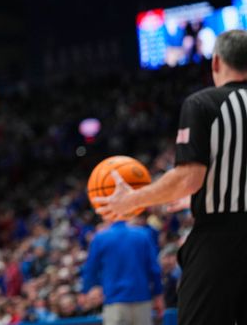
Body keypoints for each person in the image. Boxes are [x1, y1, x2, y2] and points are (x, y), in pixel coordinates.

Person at [96, 29, 247, 325]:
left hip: (222, 241)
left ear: (215, 62)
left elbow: (189, 177)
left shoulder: (203, 103)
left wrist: (130, 200)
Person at [81, 218, 163, 325]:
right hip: (142, 298)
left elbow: (90, 269)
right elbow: (154, 269)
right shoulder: (143, 235)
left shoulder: (100, 238)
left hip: (115, 300)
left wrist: (85, 291)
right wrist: (158, 294)